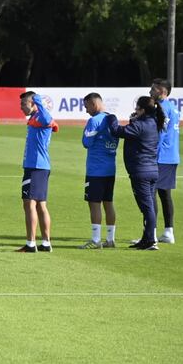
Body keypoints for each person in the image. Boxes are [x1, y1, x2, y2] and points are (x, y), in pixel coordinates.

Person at [107, 96, 165, 250]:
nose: (135, 110)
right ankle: (147, 239)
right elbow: (136, 133)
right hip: (151, 170)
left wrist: (111, 118)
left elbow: (117, 131)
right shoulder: (153, 123)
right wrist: (134, 121)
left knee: (146, 208)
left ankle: (151, 240)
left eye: (137, 108)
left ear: (143, 110)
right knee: (149, 206)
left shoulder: (141, 125)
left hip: (141, 171)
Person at [16, 91, 57, 253]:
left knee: (29, 204)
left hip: (36, 167)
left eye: (23, 104)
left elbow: (48, 119)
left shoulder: (40, 116)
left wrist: (38, 101)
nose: (21, 107)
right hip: (39, 166)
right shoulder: (35, 118)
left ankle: (31, 243)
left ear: (32, 103)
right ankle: (46, 243)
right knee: (40, 205)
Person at [79, 93, 119, 249]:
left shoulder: (94, 121)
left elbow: (86, 143)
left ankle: (95, 240)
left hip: (96, 170)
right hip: (110, 168)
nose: (86, 110)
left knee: (94, 204)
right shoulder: (112, 119)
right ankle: (110, 240)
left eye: (87, 106)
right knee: (108, 203)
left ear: (93, 104)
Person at [150, 78, 180, 244]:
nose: (150, 92)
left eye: (153, 89)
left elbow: (160, 133)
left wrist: (152, 152)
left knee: (150, 194)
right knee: (164, 194)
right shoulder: (174, 108)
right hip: (172, 155)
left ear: (162, 92)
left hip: (161, 156)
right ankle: (169, 232)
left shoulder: (161, 108)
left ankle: (151, 234)